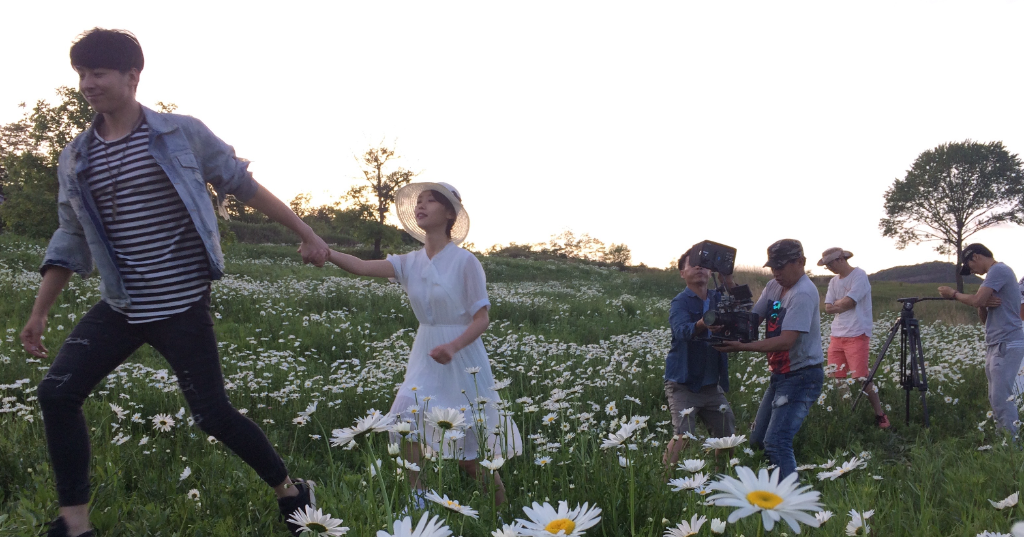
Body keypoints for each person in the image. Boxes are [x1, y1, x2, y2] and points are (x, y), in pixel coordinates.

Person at [19, 29, 330, 537]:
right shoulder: (76, 156)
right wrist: (39, 311)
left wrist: (308, 233)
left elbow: (243, 185)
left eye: (98, 73)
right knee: (57, 394)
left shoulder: (181, 134)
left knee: (212, 415)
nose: (87, 84)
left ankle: (292, 494)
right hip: (121, 305)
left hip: (180, 304)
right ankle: (74, 525)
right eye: (81, 74)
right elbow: (69, 236)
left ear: (132, 76)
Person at [325, 182, 522, 504]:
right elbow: (360, 267)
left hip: (461, 359)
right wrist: (326, 251)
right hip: (425, 354)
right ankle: (417, 500)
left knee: (470, 455)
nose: (421, 205)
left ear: (449, 214)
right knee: (404, 420)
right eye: (419, 201)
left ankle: (502, 513)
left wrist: (452, 347)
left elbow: (481, 318)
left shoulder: (465, 262)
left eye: (430, 201)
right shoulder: (409, 262)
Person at [715, 239, 824, 478]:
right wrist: (727, 320)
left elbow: (786, 341)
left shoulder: (803, 293)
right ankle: (775, 484)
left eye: (781, 266)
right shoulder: (775, 286)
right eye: (773, 267)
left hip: (802, 376)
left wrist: (742, 347)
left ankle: (789, 495)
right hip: (781, 375)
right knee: (758, 441)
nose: (776, 272)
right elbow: (753, 319)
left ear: (801, 262)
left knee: (776, 441)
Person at [661, 247, 737, 470]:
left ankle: (721, 476)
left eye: (703, 264)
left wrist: (729, 281)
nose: (699, 267)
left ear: (710, 271)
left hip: (712, 384)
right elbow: (681, 331)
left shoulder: (718, 297)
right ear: (682, 273)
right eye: (692, 264)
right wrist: (703, 323)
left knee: (728, 436)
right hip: (684, 382)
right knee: (683, 435)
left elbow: (744, 309)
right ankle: (664, 480)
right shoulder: (680, 302)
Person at [939, 243, 1024, 436]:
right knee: (995, 396)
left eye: (970, 266)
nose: (972, 272)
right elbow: (985, 318)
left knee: (1002, 396)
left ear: (975, 257)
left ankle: (1011, 443)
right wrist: (982, 305)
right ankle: (1004, 438)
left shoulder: (998, 270)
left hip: (1007, 342)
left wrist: (953, 294)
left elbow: (976, 299)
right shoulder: (992, 278)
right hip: (996, 342)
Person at [818, 247, 890, 428]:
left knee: (861, 377)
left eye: (830, 264)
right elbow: (827, 308)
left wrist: (840, 303)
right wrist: (841, 303)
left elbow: (850, 303)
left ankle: (880, 414)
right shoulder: (833, 281)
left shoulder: (859, 275)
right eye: (827, 266)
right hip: (837, 334)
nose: (829, 268)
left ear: (841, 259)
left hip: (857, 332)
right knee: (837, 377)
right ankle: (848, 413)